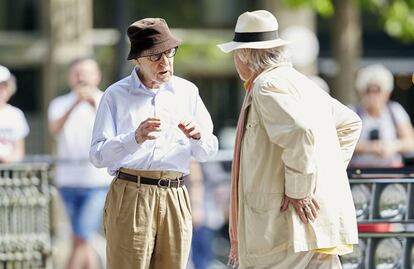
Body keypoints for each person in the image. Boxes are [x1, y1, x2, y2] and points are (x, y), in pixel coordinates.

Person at [217, 10, 362, 269]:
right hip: (310, 226)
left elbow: (299, 132)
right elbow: (349, 124)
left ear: (244, 55)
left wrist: (301, 190)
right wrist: (316, 180)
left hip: (283, 227)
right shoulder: (300, 82)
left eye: (235, 54)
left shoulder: (265, 85)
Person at [89, 18, 218, 269]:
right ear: (138, 59)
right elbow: (97, 155)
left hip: (176, 192)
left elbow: (207, 151)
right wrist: (133, 138)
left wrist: (198, 136)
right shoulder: (115, 95)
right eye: (155, 56)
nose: (165, 62)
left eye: (169, 53)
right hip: (131, 192)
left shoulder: (187, 91)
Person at [48, 57, 112, 269]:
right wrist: (75, 103)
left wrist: (95, 107)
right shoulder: (59, 103)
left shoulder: (107, 101)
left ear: (97, 76)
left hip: (96, 181)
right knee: (82, 239)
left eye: (86, 72)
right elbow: (55, 130)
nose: (82, 78)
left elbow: (113, 135)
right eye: (77, 73)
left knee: (82, 237)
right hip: (68, 181)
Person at [350, 64, 414, 168]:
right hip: (358, 174)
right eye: (368, 90)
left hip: (391, 174)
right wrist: (369, 148)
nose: (372, 95)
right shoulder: (352, 112)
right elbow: (339, 143)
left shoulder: (395, 111)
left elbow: (411, 142)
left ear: (387, 92)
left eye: (377, 90)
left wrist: (393, 146)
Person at [0, 65, 29, 163]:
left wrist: (6, 159)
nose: (1, 90)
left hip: (10, 173)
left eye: (3, 86)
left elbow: (19, 152)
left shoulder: (16, 115)